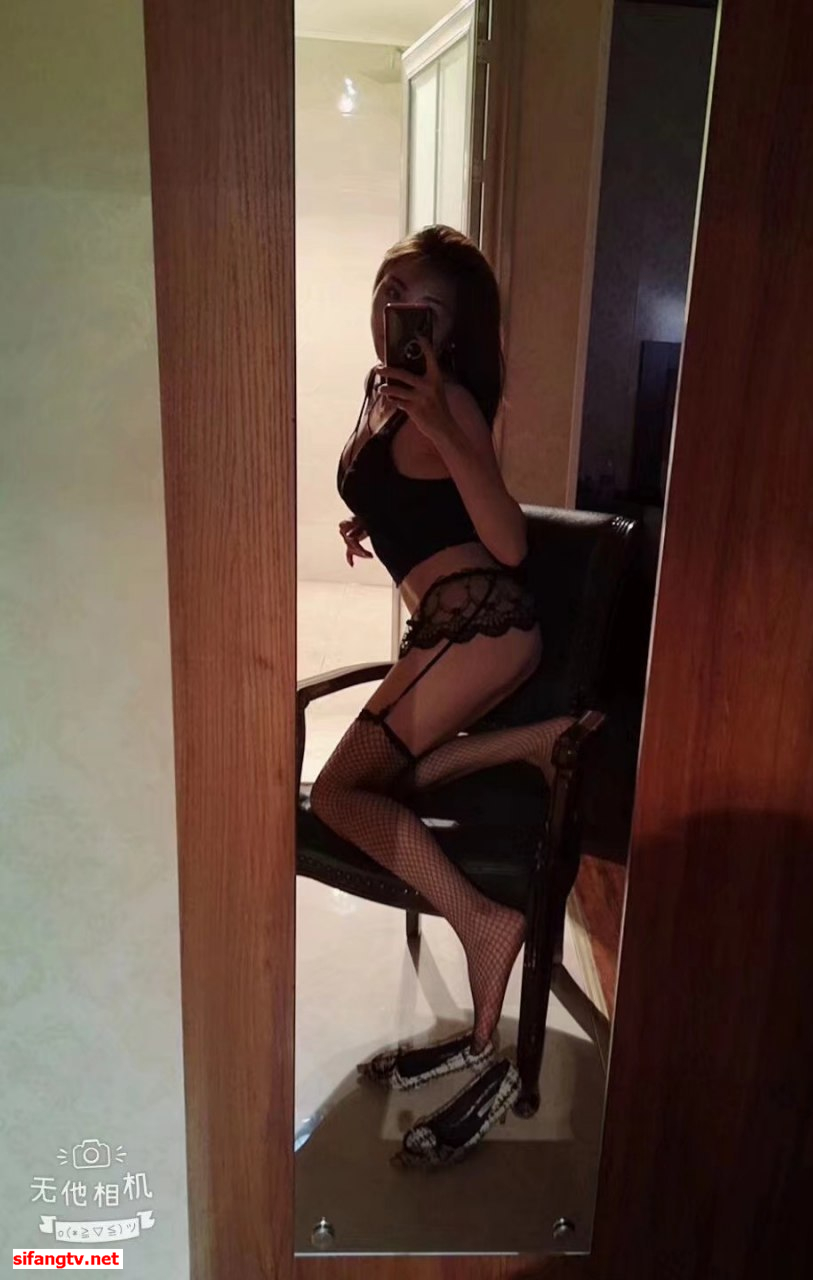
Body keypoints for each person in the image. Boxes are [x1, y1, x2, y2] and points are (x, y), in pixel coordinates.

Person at [309, 225, 575, 1167]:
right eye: (387, 289)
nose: (392, 307)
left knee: (339, 793)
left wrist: (451, 433)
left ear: (450, 326)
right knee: (378, 781)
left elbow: (506, 539)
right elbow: (422, 503)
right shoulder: (391, 397)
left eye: (414, 300)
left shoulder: (443, 398)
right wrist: (376, 519)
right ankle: (533, 742)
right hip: (458, 628)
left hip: (480, 623)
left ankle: (484, 921)